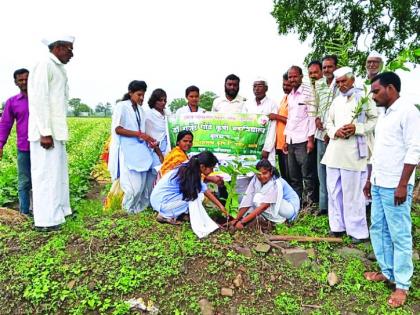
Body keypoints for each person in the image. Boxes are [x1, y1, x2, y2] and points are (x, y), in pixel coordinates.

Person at [363, 72, 420, 308]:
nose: (373, 95)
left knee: (399, 234)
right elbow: (380, 151)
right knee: (379, 228)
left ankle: (402, 285)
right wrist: (370, 180)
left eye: (376, 91)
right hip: (379, 182)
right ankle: (387, 271)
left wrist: (402, 184)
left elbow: (414, 150)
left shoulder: (408, 112)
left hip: (395, 186)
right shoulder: (384, 114)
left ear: (390, 88)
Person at [321, 67, 378, 243]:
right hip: (334, 152)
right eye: (338, 82)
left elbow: (374, 120)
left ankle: (358, 232)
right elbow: (327, 122)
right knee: (334, 190)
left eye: (343, 81)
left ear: (352, 80)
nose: (341, 85)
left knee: (353, 193)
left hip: (354, 152)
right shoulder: (336, 101)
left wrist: (357, 128)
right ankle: (337, 227)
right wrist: (334, 132)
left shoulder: (364, 98)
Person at [28, 36, 75, 231]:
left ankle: (61, 212)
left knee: (58, 174)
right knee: (46, 176)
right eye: (69, 49)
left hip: (56, 131)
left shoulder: (59, 68)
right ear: (57, 47)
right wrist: (45, 132)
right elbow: (39, 100)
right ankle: (46, 220)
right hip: (45, 133)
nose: (72, 54)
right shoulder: (44, 64)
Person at [113, 80, 159, 213]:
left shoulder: (140, 110)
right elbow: (118, 129)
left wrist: (149, 140)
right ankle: (126, 211)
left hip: (140, 151)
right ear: (130, 93)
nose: (142, 98)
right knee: (134, 188)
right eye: (139, 94)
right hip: (127, 150)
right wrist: (139, 134)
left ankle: (137, 211)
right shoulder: (122, 106)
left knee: (143, 186)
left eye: (143, 95)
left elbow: (142, 132)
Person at [150, 151, 227, 225]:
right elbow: (201, 192)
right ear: (202, 167)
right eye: (211, 168)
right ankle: (165, 215)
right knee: (196, 197)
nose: (212, 171)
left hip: (159, 199)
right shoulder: (189, 172)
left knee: (196, 195)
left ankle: (179, 214)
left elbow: (205, 189)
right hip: (161, 203)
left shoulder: (190, 167)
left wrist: (221, 206)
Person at [229, 159, 300, 230]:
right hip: (276, 206)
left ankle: (281, 222)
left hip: (289, 209)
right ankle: (271, 220)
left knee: (257, 199)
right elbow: (248, 199)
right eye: (259, 174)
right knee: (254, 200)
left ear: (271, 172)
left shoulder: (276, 182)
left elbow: (264, 206)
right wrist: (236, 219)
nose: (261, 176)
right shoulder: (255, 179)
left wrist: (242, 222)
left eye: (265, 173)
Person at [282, 65, 316, 206]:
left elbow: (311, 117)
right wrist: (285, 140)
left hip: (303, 140)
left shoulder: (308, 93)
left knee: (307, 175)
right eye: (290, 77)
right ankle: (297, 204)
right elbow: (290, 119)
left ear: (301, 76)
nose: (292, 79)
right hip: (291, 141)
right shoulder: (290, 96)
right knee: (294, 176)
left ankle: (310, 205)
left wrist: (310, 140)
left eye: (295, 76)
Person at [0, 68, 31, 216]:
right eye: (21, 80)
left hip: (44, 147)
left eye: (27, 78)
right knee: (24, 181)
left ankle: (43, 213)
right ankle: (24, 213)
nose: (24, 82)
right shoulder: (12, 102)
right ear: (16, 82)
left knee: (43, 180)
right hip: (24, 148)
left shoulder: (41, 99)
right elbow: (5, 124)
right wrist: (0, 144)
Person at [313, 55, 340, 215]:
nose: (327, 70)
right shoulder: (319, 84)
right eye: (324, 67)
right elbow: (316, 106)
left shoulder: (342, 84)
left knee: (335, 171)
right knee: (321, 170)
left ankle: (335, 207)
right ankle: (324, 207)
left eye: (330, 67)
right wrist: (316, 118)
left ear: (336, 67)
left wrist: (332, 131)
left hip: (336, 135)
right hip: (320, 134)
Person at [243, 77, 278, 165]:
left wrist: (266, 149)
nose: (257, 89)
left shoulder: (272, 104)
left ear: (266, 88)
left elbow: (272, 128)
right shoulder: (247, 104)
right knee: (248, 172)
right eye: (254, 86)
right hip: (249, 145)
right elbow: (243, 124)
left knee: (266, 174)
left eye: (260, 86)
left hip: (265, 148)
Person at [269, 72, 291, 182]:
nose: (285, 87)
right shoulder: (284, 99)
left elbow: (293, 122)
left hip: (288, 144)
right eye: (284, 85)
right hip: (280, 144)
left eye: (288, 85)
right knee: (284, 175)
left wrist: (276, 116)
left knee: (290, 176)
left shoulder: (294, 100)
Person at [146, 88, 169, 163]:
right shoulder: (148, 115)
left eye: (165, 100)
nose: (163, 103)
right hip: (154, 150)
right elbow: (149, 137)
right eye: (160, 100)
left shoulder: (168, 114)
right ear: (154, 101)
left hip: (168, 149)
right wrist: (159, 154)